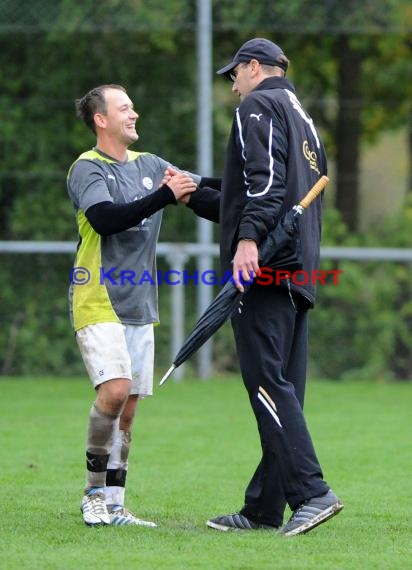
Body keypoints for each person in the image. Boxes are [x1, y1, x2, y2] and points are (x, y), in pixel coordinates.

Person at [180, 38, 344, 536]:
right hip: (298, 270)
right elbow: (257, 193)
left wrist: (247, 242)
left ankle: (313, 494)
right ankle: (263, 509)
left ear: (256, 68)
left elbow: (265, 186)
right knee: (284, 386)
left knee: (267, 385)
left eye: (235, 73)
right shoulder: (302, 116)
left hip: (266, 269)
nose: (232, 84)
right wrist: (193, 194)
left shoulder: (258, 104)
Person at [67, 84, 199, 527]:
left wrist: (258, 189)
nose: (134, 114)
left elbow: (199, 188)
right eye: (124, 108)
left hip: (140, 302)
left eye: (133, 107)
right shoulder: (87, 167)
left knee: (131, 406)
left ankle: (118, 504)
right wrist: (165, 195)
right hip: (98, 295)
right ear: (100, 119)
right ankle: (93, 495)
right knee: (115, 391)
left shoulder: (151, 166)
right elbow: (105, 219)